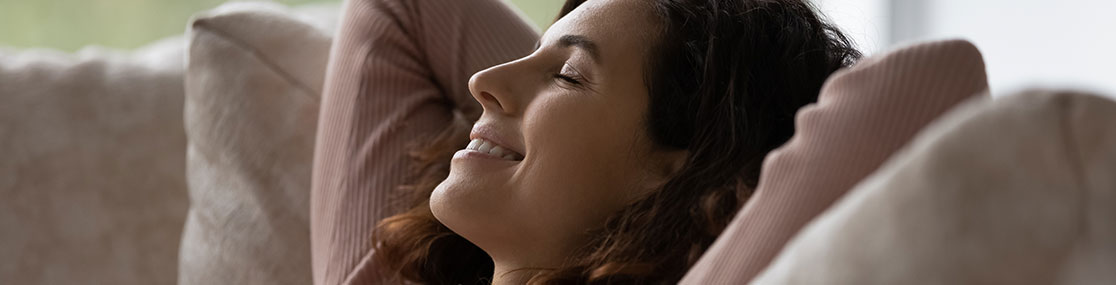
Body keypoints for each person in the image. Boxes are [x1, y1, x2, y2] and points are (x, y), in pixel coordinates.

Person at [311, 0, 860, 284]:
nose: (481, 82)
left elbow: (926, 82)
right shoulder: (396, 271)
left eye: (568, 74)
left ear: (687, 172)